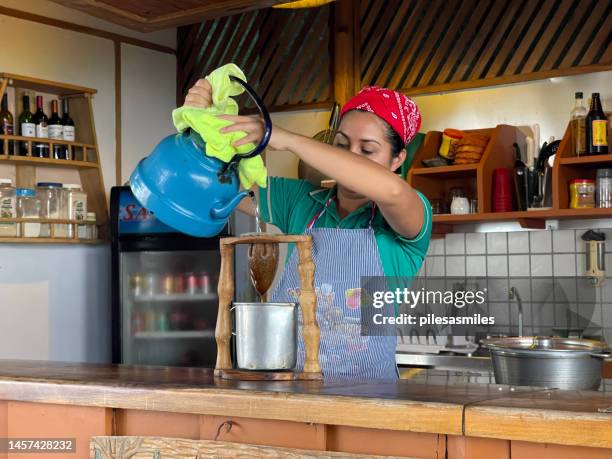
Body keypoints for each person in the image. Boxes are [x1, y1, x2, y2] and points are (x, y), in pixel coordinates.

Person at [185, 81, 432, 379]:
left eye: (367, 150)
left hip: (370, 402)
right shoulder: (301, 201)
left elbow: (392, 192)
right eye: (341, 146)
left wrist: (285, 138)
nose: (350, 158)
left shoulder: (408, 212)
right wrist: (202, 127)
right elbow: (218, 182)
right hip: (293, 394)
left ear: (397, 159)